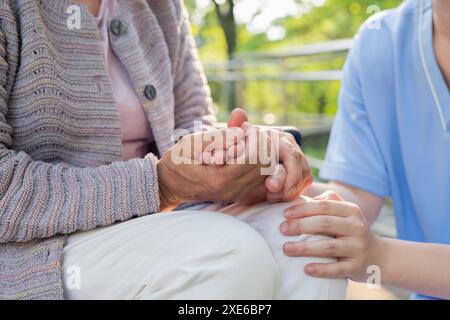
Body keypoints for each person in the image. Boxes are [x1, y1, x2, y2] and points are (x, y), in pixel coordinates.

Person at [0, 0, 346, 299]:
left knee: (310, 232)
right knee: (225, 256)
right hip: (37, 248)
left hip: (161, 222)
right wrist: (161, 184)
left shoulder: (161, 7)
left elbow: (193, 123)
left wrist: (237, 162)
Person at [280, 0, 450, 299]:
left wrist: (381, 257)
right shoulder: (380, 41)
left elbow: (376, 254)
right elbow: (357, 196)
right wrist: (277, 181)